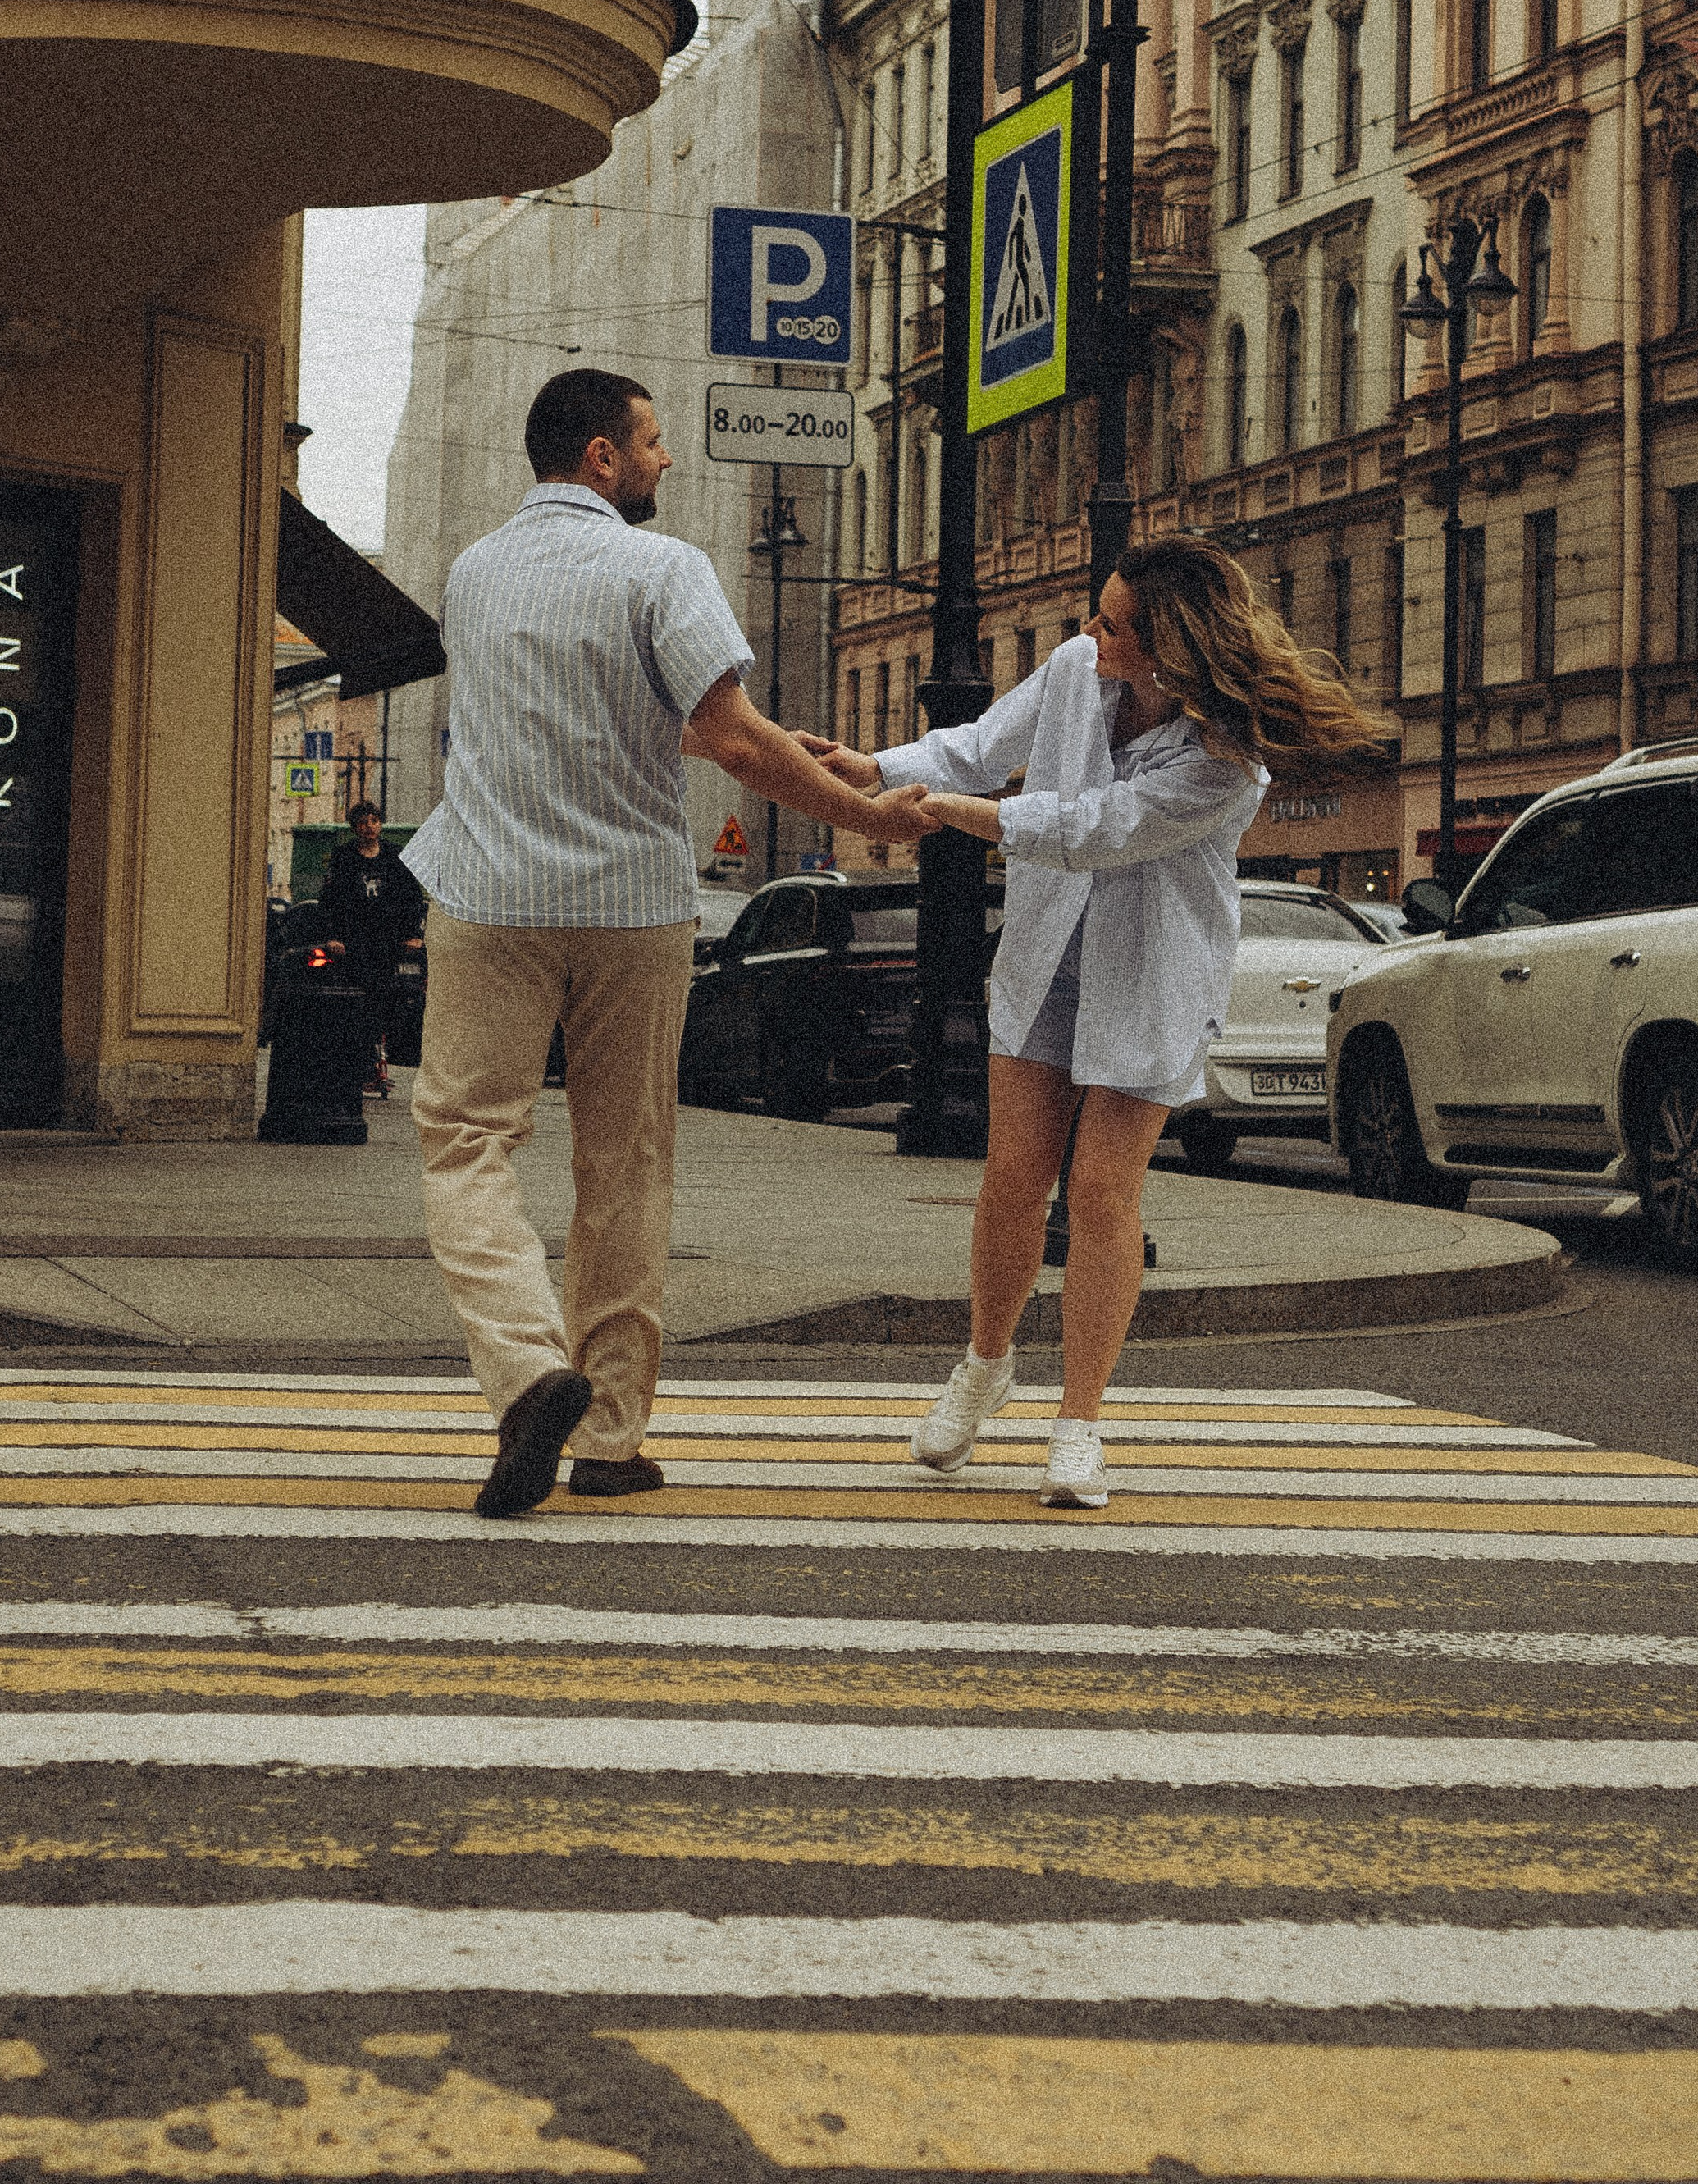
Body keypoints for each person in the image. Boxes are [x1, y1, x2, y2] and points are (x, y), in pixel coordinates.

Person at [404, 368, 930, 1521]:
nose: (666, 458)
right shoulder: (662, 568)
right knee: (625, 1161)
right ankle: (607, 1435)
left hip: (489, 892)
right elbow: (729, 739)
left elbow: (578, 721)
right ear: (601, 456)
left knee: (465, 1141)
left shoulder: (473, 571)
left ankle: (527, 1371)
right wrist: (871, 814)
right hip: (630, 903)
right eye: (652, 441)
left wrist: (757, 741)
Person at [801, 537, 1390, 1510]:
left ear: (1168, 652)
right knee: (1012, 1180)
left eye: (1111, 624)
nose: (1088, 632)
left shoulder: (1225, 764)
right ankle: (984, 1368)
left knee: (1103, 1193)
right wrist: (872, 766)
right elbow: (983, 743)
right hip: (1046, 956)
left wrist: (953, 814)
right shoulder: (1078, 668)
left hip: (1149, 974)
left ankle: (1078, 1425)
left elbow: (1094, 830)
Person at [317, 802, 427, 1094]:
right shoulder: (344, 858)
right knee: (357, 1005)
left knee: (384, 1005)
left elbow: (411, 897)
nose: (370, 827)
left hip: (387, 943)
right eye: (364, 822)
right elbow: (330, 899)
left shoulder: (394, 856)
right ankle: (361, 1068)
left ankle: (377, 1065)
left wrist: (413, 934)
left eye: (375, 821)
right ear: (355, 828)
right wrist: (334, 936)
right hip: (354, 943)